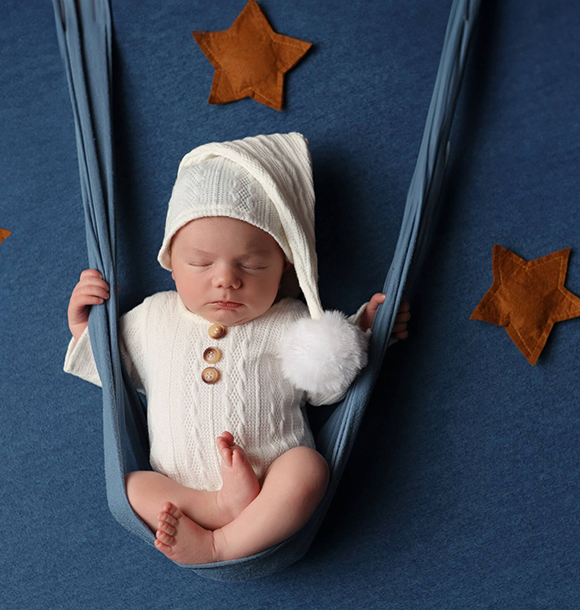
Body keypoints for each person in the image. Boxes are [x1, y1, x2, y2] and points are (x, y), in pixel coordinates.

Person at [64, 133, 410, 565]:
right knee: (132, 487)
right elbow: (114, 369)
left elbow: (328, 388)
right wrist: (85, 327)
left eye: (251, 264)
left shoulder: (292, 320)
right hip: (182, 499)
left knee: (308, 468)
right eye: (202, 262)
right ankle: (217, 509)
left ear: (285, 264)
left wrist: (364, 333)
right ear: (171, 262)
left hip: (269, 488)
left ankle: (221, 544)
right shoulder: (153, 317)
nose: (226, 279)